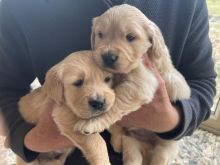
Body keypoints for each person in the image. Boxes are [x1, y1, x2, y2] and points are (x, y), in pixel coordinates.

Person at [0, 0, 216, 164]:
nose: (109, 51)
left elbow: (203, 83)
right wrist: (29, 139)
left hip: (148, 145)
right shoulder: (20, 5)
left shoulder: (186, 4)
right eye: (101, 35)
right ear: (93, 35)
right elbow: (5, 88)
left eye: (130, 37)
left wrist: (170, 119)